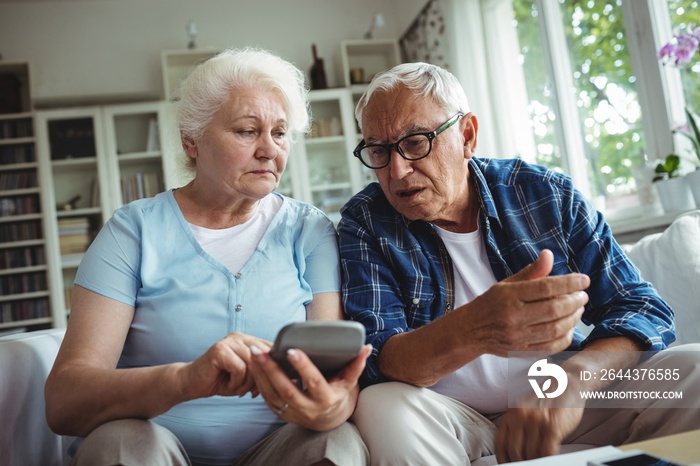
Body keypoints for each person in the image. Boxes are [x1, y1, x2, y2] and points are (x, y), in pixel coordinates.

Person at [337, 61, 700, 465]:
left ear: (467, 136)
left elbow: (642, 307)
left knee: (692, 367)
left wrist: (574, 380)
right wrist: (478, 327)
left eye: (416, 142)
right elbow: (377, 359)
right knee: (381, 406)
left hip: (560, 397)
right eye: (378, 151)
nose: (397, 170)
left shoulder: (544, 193)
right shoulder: (365, 221)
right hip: (452, 419)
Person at [45, 48, 370, 466]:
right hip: (156, 449)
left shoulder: (310, 230)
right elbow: (64, 401)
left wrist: (332, 408)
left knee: (337, 443)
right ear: (190, 140)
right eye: (247, 131)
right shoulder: (133, 232)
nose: (270, 150)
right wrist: (183, 380)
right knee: (123, 442)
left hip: (279, 452)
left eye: (281, 133)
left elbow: (336, 385)